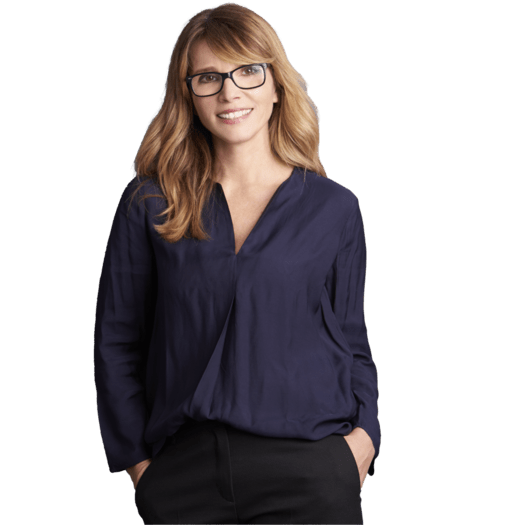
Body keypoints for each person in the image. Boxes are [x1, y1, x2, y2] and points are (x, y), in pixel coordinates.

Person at [93, 3, 381, 523]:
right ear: (189, 94)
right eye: (208, 77)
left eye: (248, 71)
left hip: (312, 469)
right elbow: (117, 340)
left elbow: (351, 337)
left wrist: (364, 441)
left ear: (276, 83)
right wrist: (140, 466)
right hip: (186, 476)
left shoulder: (335, 207)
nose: (230, 92)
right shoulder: (151, 202)